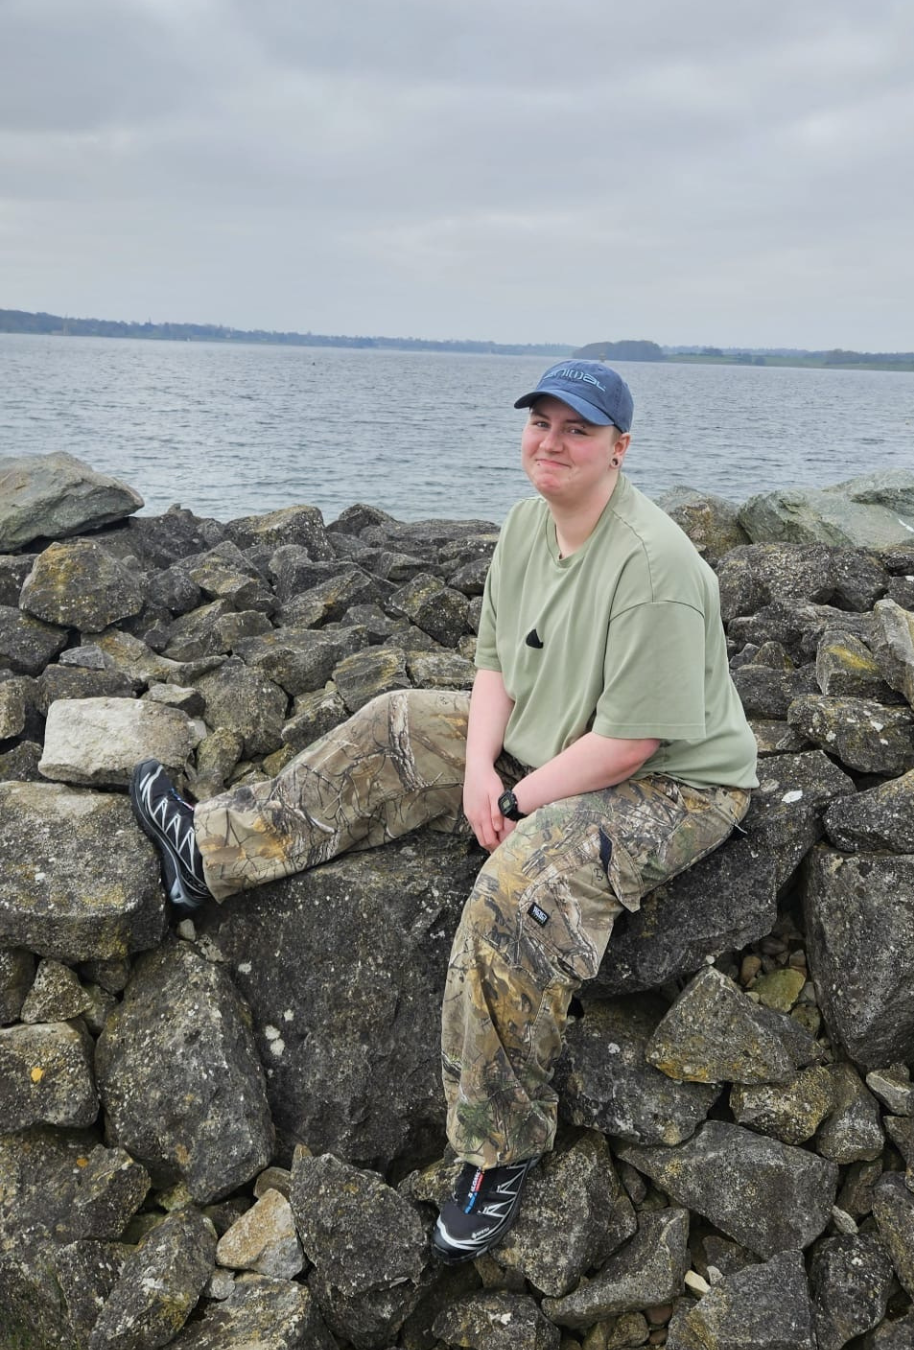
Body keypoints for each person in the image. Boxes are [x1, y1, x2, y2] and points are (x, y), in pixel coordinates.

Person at [130, 359, 758, 1264]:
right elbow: (497, 663)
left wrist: (514, 799)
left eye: (577, 429)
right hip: (557, 732)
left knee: (518, 890)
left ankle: (497, 1148)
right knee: (393, 720)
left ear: (620, 447)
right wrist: (473, 767)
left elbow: (633, 745)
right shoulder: (524, 525)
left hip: (673, 780)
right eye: (541, 423)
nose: (552, 442)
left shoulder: (655, 564)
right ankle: (208, 854)